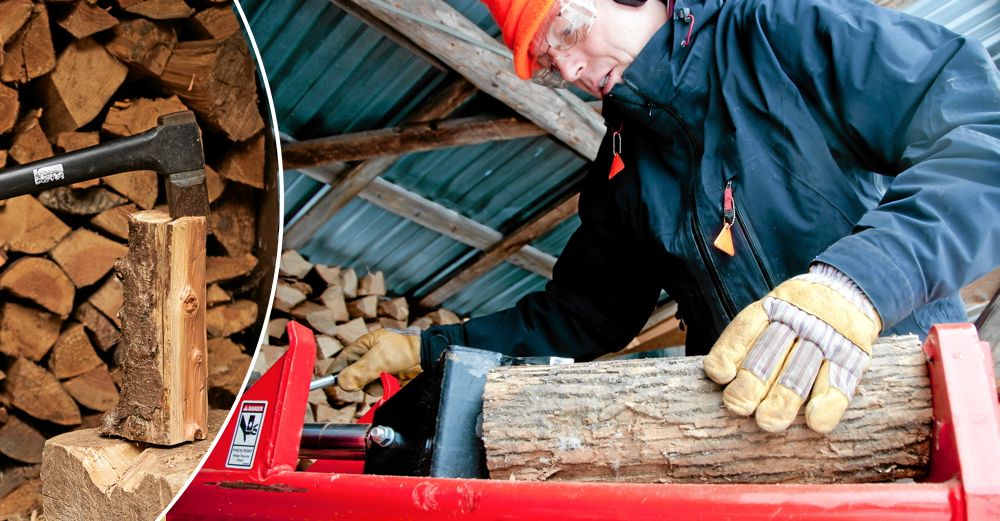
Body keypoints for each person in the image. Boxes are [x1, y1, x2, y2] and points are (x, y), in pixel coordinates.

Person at [331, 0, 1000, 434]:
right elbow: (582, 316)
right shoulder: (621, 169)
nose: (569, 67)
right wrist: (428, 348)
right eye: (549, 66)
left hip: (907, 401)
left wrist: (857, 284)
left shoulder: (776, 31)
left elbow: (980, 134)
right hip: (749, 430)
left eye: (566, 31)